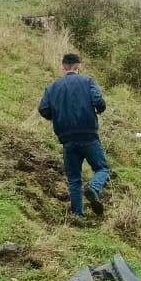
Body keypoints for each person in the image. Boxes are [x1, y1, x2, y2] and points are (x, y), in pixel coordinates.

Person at [38, 52, 109, 217]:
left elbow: (43, 109)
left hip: (67, 139)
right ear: (78, 66)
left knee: (74, 179)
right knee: (102, 168)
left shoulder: (52, 87)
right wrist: (99, 109)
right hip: (88, 135)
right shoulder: (88, 81)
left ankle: (78, 215)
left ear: (63, 67)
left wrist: (57, 116)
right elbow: (99, 102)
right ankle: (93, 188)